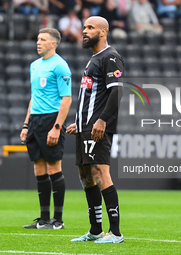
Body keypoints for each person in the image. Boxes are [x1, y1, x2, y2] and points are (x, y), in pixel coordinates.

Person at [66, 16, 124, 243]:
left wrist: (101, 121)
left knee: (100, 173)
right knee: (85, 176)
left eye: (90, 27)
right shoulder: (94, 60)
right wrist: (79, 122)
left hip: (98, 128)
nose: (85, 31)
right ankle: (96, 230)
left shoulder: (110, 57)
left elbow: (117, 92)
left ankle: (116, 233)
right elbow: (91, 97)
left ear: (104, 31)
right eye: (84, 27)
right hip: (85, 127)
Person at [20, 28, 72, 230]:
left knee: (53, 168)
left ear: (53, 43)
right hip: (35, 121)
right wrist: (26, 124)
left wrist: (57, 127)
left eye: (42, 39)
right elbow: (34, 98)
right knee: (39, 168)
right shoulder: (34, 66)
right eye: (37, 39)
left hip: (51, 120)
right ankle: (43, 220)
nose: (38, 42)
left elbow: (66, 99)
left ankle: (58, 221)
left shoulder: (60, 66)